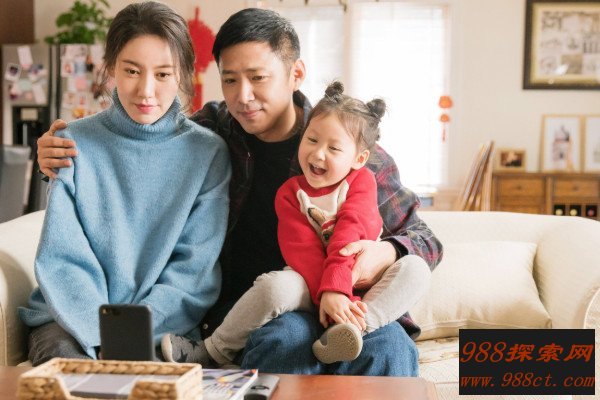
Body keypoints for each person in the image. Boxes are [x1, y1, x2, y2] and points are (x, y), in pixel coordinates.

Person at [37, 8, 443, 376]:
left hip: (350, 299)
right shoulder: (214, 133)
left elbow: (426, 240)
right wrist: (56, 153)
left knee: (390, 349)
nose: (243, 96)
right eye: (230, 80)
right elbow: (150, 138)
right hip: (269, 302)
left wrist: (387, 252)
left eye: (258, 78)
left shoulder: (348, 151)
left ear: (296, 74)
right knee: (284, 341)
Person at [160, 81, 431, 367]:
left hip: (360, 284)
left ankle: (353, 329)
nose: (318, 154)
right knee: (273, 287)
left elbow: (349, 236)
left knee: (416, 269)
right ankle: (213, 350)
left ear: (359, 158)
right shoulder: (291, 192)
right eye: (312, 140)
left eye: (334, 148)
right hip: (310, 281)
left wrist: (340, 290)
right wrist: (327, 294)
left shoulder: (363, 181)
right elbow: (301, 249)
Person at [20, 1, 231, 366]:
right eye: (132, 71)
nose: (145, 90)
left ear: (182, 74)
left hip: (162, 326)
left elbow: (192, 272)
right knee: (71, 370)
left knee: (154, 379)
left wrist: (128, 334)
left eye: (162, 74)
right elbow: (64, 259)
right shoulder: (71, 143)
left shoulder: (208, 153)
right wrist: (101, 335)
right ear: (111, 68)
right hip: (70, 320)